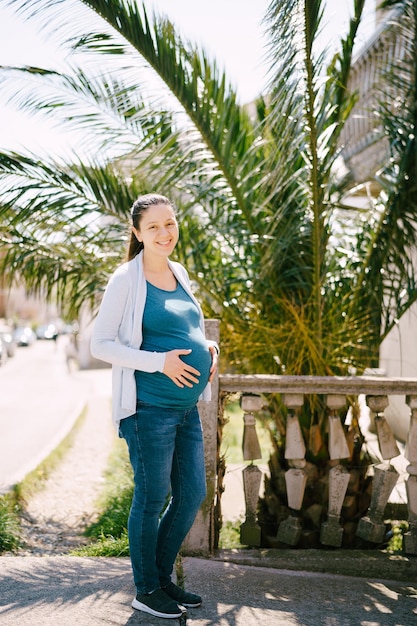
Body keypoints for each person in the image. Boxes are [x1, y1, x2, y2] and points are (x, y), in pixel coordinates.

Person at [90, 193, 219, 619]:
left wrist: (207, 347)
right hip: (149, 410)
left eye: (170, 223)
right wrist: (159, 363)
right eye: (153, 227)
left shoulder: (179, 271)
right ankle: (146, 589)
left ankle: (162, 580)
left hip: (185, 409)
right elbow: (100, 344)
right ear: (137, 233)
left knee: (192, 493)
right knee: (152, 497)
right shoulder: (126, 280)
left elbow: (188, 325)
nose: (165, 233)